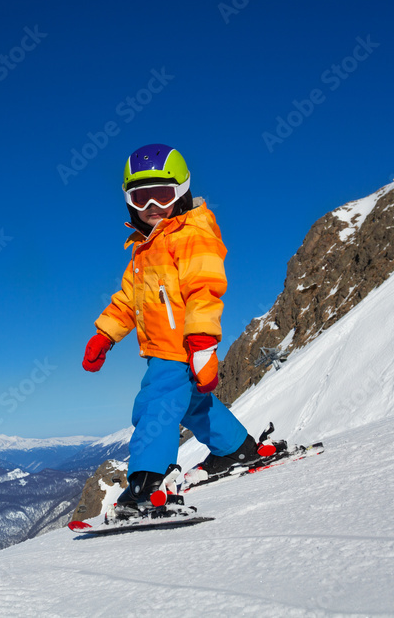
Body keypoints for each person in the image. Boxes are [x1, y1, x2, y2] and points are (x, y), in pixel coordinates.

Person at [81, 144, 279, 518]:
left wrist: (203, 343)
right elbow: (127, 302)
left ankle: (146, 483)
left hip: (180, 347)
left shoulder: (191, 234)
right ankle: (236, 448)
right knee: (193, 405)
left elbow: (204, 288)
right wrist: (104, 335)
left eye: (163, 194)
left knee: (155, 405)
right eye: (141, 198)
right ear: (129, 203)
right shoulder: (144, 251)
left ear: (182, 192)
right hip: (163, 349)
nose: (152, 206)